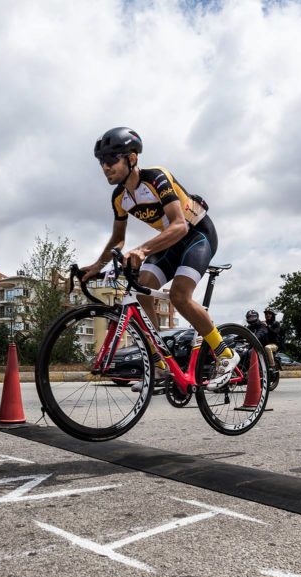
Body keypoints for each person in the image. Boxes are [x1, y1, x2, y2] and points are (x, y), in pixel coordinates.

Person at [83, 127, 239, 391]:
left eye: (111, 160)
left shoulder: (156, 178)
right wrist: (96, 266)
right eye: (101, 162)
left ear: (131, 158)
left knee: (179, 296)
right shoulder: (120, 198)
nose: (105, 167)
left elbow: (179, 226)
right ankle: (160, 362)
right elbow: (117, 239)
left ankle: (225, 354)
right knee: (141, 285)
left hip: (196, 235)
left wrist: (142, 250)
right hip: (170, 243)